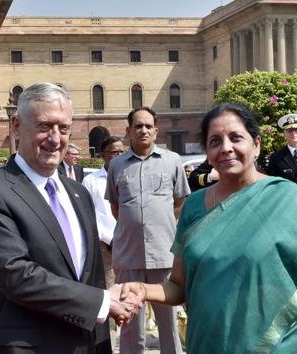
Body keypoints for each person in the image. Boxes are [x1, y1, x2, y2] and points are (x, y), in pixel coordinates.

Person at [120, 102, 297, 353]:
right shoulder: (193, 207)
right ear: (208, 152)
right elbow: (178, 286)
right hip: (207, 344)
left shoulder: (290, 201)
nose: (225, 148)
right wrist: (143, 290)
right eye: (215, 141)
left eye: (236, 138)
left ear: (256, 145)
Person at [0, 83, 140, 353]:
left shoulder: (78, 194)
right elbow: (17, 275)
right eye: (45, 126)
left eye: (64, 128)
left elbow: (91, 277)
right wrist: (102, 302)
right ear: (16, 126)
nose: (56, 139)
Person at [105, 106, 189, 354]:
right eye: (138, 126)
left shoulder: (172, 161)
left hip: (164, 253)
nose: (143, 130)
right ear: (128, 131)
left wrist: (157, 223)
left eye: (148, 126)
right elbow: (116, 208)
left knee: (168, 322)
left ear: (156, 131)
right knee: (129, 319)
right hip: (129, 254)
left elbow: (179, 203)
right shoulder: (117, 165)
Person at [82, 135, 125, 349]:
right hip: (105, 246)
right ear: (103, 155)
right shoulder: (91, 181)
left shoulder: (128, 174)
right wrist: (108, 239)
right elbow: (90, 214)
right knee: (110, 294)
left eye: (121, 152)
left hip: (129, 244)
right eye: (113, 152)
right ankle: (110, 344)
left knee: (129, 294)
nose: (118, 156)